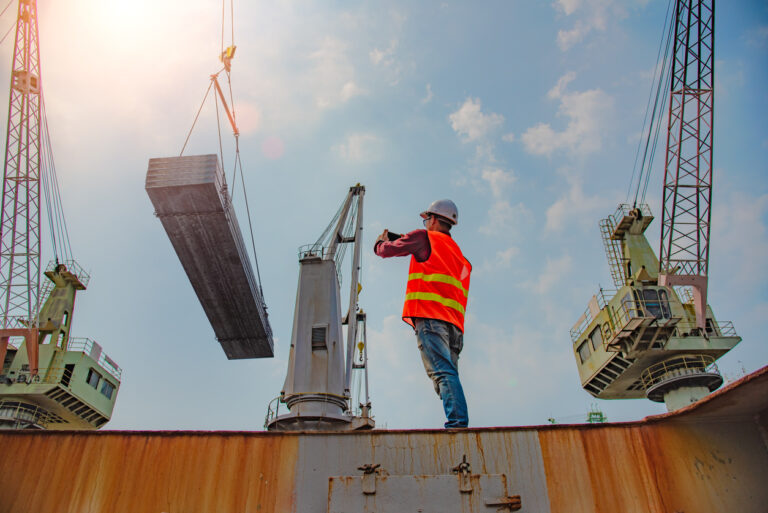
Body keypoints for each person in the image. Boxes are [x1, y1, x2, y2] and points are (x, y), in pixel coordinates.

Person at [374, 199, 472, 428]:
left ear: (435, 219)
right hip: (455, 326)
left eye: (427, 218)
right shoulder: (458, 254)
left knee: (442, 374)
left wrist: (380, 241)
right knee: (447, 377)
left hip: (430, 319)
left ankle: (458, 424)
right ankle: (457, 420)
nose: (425, 223)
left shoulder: (423, 237)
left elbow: (386, 251)